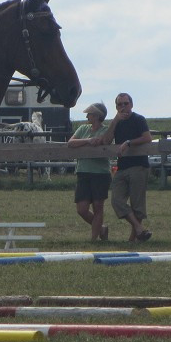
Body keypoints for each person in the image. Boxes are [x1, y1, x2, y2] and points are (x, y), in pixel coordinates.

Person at [93, 93, 153, 243]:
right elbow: (106, 140)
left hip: (139, 166)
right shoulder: (117, 122)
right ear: (116, 107)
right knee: (116, 201)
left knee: (137, 204)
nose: (123, 107)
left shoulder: (139, 119)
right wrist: (115, 121)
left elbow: (147, 138)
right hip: (122, 167)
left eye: (125, 104)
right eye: (120, 105)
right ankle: (139, 229)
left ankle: (133, 238)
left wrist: (128, 142)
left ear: (131, 105)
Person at [68, 101, 111, 242]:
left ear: (98, 116)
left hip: (100, 173)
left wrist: (93, 141)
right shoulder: (83, 129)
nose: (88, 116)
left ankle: (93, 239)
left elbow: (104, 142)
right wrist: (88, 140)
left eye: (90, 114)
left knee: (98, 206)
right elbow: (71, 142)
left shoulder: (106, 131)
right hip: (83, 172)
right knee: (82, 209)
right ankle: (102, 228)